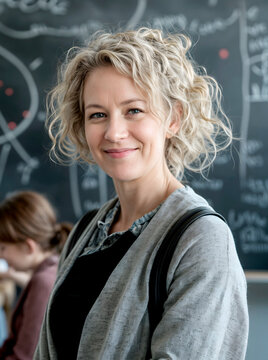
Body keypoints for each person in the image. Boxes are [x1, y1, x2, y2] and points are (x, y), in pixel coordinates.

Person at [35, 27, 249, 359]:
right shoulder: (86, 230)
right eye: (98, 115)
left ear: (173, 119)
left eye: (134, 110)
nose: (114, 132)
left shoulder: (201, 239)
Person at [0, 191, 72, 360]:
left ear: (28, 247)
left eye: (3, 247)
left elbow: (24, 356)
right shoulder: (49, 270)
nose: (0, 256)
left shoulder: (43, 282)